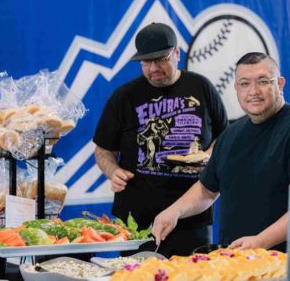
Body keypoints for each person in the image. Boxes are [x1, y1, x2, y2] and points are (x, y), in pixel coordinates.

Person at [152, 52, 290, 252]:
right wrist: (173, 212)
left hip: (284, 265)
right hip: (234, 262)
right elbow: (207, 190)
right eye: (244, 83)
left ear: (280, 84)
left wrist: (261, 241)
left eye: (263, 81)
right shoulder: (230, 135)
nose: (253, 91)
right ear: (236, 88)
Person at [93, 22, 228, 257]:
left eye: (161, 59)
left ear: (177, 53)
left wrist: (208, 155)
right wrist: (112, 171)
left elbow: (224, 138)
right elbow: (103, 150)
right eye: (146, 62)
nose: (154, 68)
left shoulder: (202, 88)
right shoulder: (124, 96)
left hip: (193, 217)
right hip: (137, 222)